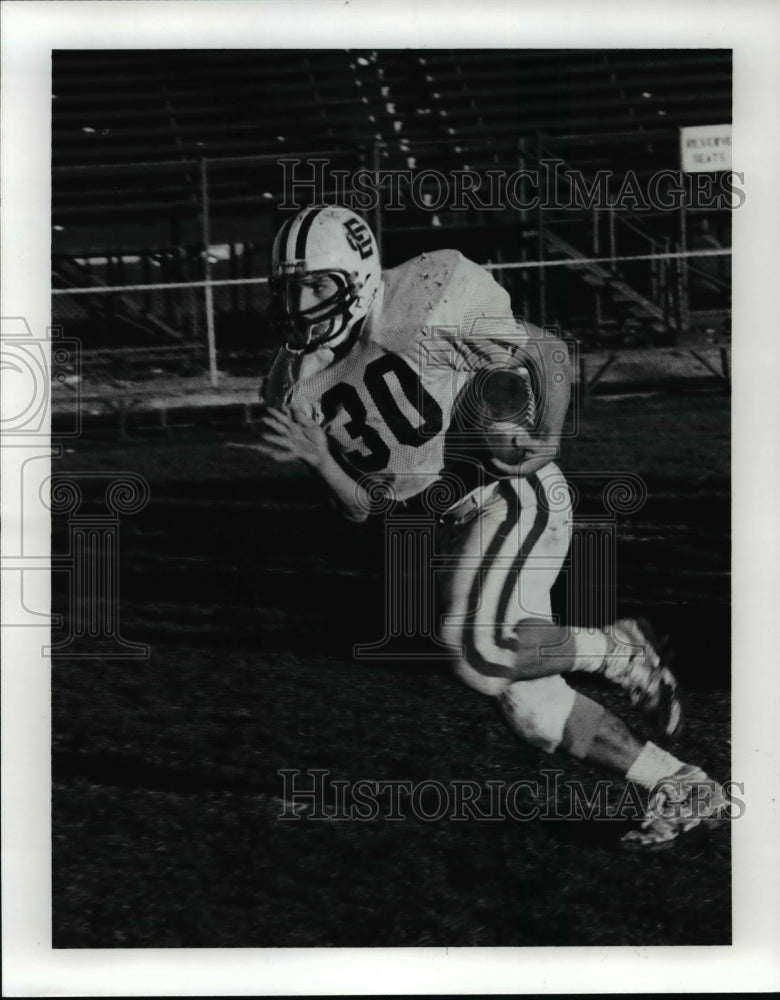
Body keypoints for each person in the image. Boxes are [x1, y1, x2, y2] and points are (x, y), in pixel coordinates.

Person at [252, 204, 727, 850]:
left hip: (510, 489)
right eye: (289, 286)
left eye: (315, 284)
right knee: (531, 711)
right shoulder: (292, 383)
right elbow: (362, 508)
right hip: (454, 524)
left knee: (476, 650)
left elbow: (548, 350)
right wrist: (316, 459)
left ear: (359, 278)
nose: (298, 301)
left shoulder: (426, 297)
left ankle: (617, 650)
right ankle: (679, 784)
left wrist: (548, 433)